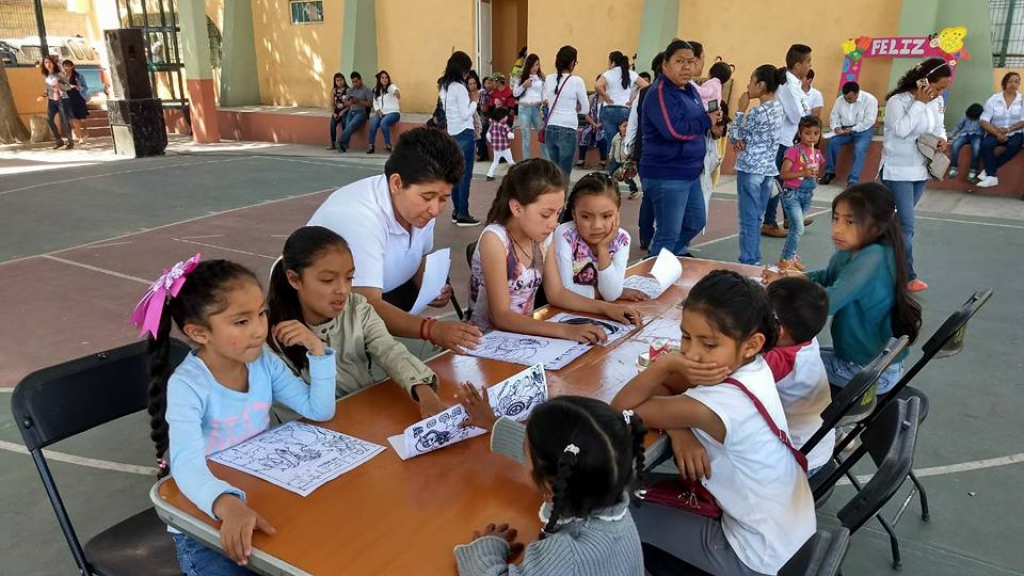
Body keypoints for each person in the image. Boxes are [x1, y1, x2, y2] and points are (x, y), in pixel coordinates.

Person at [136, 256, 337, 574]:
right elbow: (186, 464)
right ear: (200, 333)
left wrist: (317, 350)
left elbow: (319, 411)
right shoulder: (188, 385)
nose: (259, 330)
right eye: (241, 322)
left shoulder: (264, 363)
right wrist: (227, 506)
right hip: (204, 524)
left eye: (261, 314)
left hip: (261, 496)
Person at [612, 270, 815, 576]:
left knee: (609, 518)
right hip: (790, 538)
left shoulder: (720, 403)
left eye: (707, 343)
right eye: (685, 336)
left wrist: (665, 363)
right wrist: (679, 428)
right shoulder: (752, 366)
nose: (691, 353)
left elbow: (620, 410)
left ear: (751, 343)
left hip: (754, 559)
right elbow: (669, 392)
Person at [308, 127, 484, 354]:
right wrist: (431, 329)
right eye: (428, 197)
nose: (435, 209)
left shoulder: (418, 209)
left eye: (444, 198)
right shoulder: (360, 220)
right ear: (396, 183)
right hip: (326, 321)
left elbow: (419, 255)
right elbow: (365, 306)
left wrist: (431, 286)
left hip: (379, 295)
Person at [454, 393, 647, 576]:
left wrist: (487, 547)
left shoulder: (568, 556)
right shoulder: (610, 487)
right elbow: (562, 456)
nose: (524, 452)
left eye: (526, 451)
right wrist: (493, 423)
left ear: (548, 488)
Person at [266, 226, 447, 418]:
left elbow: (389, 350)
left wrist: (425, 392)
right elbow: (313, 410)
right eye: (328, 280)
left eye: (349, 278)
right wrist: (317, 350)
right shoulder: (271, 336)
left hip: (363, 413)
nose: (342, 290)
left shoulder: (357, 308)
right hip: (309, 431)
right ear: (294, 279)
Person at [764, 183, 922, 396]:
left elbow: (828, 301)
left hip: (868, 371)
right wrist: (791, 278)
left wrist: (785, 290)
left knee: (770, 365)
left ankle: (803, 426)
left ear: (877, 227)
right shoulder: (853, 251)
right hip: (864, 360)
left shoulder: (873, 257)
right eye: (836, 218)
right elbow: (826, 276)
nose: (838, 228)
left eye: (850, 221)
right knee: (794, 356)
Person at [468, 159, 643, 340]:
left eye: (558, 213)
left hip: (526, 335)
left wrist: (607, 308)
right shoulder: (495, 240)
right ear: (517, 208)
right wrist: (565, 331)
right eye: (546, 214)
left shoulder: (544, 237)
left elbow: (557, 293)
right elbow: (501, 316)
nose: (553, 223)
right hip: (484, 341)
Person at [639, 40, 719, 258]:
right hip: (667, 173)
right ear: (665, 65)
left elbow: (697, 120)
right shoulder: (660, 93)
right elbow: (674, 131)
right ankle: (653, 275)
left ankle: (668, 254)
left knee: (696, 221)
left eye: (690, 62)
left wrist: (712, 122)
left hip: (689, 172)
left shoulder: (689, 90)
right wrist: (706, 121)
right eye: (679, 62)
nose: (686, 67)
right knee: (668, 232)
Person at [880, 57, 951, 293]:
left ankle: (879, 260)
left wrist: (943, 140)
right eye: (938, 87)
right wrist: (919, 103)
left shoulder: (936, 102)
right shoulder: (897, 101)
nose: (940, 92)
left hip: (921, 169)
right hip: (897, 170)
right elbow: (900, 131)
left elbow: (939, 126)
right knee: (907, 226)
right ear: (923, 81)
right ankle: (907, 276)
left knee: (898, 224)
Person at [764, 277, 834, 475]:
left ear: (779, 331)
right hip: (815, 448)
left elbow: (724, 373)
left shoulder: (779, 360)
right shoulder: (806, 340)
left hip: (795, 460)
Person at [553, 172, 646, 302]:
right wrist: (607, 293)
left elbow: (611, 294)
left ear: (617, 214)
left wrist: (603, 248)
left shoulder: (622, 240)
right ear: (574, 214)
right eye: (586, 217)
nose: (597, 226)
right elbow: (565, 289)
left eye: (606, 216)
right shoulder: (565, 234)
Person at [730, 64, 786, 266]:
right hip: (767, 170)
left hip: (750, 170)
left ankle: (748, 260)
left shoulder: (757, 112)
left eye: (751, 81)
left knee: (748, 218)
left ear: (761, 85)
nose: (748, 86)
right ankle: (753, 257)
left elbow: (735, 138)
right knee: (757, 217)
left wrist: (739, 110)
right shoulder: (778, 108)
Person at [762, 44, 814, 239]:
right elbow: (795, 115)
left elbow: (804, 108)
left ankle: (789, 217)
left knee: (788, 180)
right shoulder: (787, 85)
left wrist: (803, 109)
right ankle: (769, 221)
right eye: (808, 61)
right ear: (798, 64)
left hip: (787, 139)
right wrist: (803, 110)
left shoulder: (794, 84)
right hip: (780, 140)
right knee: (778, 180)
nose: (810, 65)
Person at [626, 52, 664, 248]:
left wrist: (629, 148)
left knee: (649, 195)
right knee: (657, 196)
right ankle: (653, 236)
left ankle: (646, 236)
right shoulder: (656, 93)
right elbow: (633, 123)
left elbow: (633, 124)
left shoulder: (643, 93)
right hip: (653, 154)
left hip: (643, 152)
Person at [544, 45, 599, 181]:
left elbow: (546, 100)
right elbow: (586, 109)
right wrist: (575, 108)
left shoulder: (549, 79)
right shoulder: (576, 81)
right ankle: (562, 199)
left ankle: (552, 200)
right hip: (568, 128)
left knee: (554, 172)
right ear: (572, 62)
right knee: (564, 172)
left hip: (550, 128)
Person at [440, 51, 482, 226]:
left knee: (456, 175)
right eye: (467, 69)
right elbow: (466, 115)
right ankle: (463, 214)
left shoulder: (446, 87)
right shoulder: (459, 87)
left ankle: (457, 211)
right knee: (465, 176)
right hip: (464, 132)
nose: (468, 73)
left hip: (453, 133)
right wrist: (475, 101)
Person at [778, 115, 825, 270]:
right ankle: (785, 260)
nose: (812, 137)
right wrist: (803, 173)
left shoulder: (816, 153)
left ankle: (790, 256)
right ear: (799, 133)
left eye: (816, 133)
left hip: (807, 196)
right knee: (798, 228)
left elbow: (818, 170)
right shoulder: (794, 151)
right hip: (792, 194)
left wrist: (815, 176)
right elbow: (784, 174)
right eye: (807, 133)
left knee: (795, 230)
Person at [821, 81, 879, 186]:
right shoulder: (840, 100)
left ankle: (853, 179)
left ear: (857, 93)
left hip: (863, 131)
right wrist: (836, 128)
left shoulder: (870, 100)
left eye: (850, 99)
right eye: (846, 98)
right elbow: (834, 116)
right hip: (844, 131)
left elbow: (869, 121)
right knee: (832, 143)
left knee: (859, 149)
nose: (847, 101)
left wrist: (854, 129)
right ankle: (829, 172)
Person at [976, 71, 1024, 189]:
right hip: (994, 131)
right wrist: (997, 133)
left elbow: (1023, 121)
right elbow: (984, 120)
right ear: (1004, 83)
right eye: (1010, 81)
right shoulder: (994, 99)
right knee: (987, 144)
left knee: (1014, 146)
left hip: (1015, 132)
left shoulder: (1022, 100)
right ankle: (992, 177)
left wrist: (1008, 130)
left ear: (1019, 84)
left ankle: (989, 171)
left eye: (1016, 82)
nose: (1013, 84)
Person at [595, 51, 647, 152]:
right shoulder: (631, 73)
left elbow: (597, 85)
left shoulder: (608, 73)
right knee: (625, 140)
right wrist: (633, 99)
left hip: (609, 109)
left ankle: (612, 163)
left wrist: (605, 96)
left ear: (613, 62)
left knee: (611, 142)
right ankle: (623, 164)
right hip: (625, 109)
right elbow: (645, 85)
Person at [513, 53, 546, 160]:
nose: (535, 68)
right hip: (524, 108)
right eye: (532, 65)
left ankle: (547, 161)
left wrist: (545, 99)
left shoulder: (541, 77)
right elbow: (515, 93)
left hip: (536, 108)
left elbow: (544, 92)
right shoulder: (521, 76)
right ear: (528, 65)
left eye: (537, 65)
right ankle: (526, 161)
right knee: (526, 138)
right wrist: (524, 85)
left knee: (541, 136)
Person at [39, 55, 72, 150]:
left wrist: (60, 86)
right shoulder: (46, 76)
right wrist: (43, 95)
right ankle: (59, 141)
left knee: (65, 121)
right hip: (52, 100)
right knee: (49, 119)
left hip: (62, 99)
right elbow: (48, 89)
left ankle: (70, 142)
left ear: (53, 64)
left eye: (49, 62)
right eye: (46, 62)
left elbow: (68, 87)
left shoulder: (59, 74)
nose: (48, 64)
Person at [335, 71, 373, 153]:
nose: (355, 83)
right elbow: (346, 104)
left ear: (360, 80)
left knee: (351, 125)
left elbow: (370, 104)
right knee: (348, 126)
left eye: (356, 81)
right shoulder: (351, 90)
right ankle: (343, 146)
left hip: (362, 113)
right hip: (351, 111)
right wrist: (347, 101)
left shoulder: (367, 90)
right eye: (353, 82)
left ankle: (340, 141)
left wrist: (358, 101)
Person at [367, 70, 401, 154]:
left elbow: (395, 90)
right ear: (379, 79)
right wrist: (378, 110)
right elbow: (375, 102)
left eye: (386, 77)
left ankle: (388, 144)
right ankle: (371, 146)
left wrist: (397, 92)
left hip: (393, 113)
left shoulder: (391, 86)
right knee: (373, 125)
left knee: (383, 123)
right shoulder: (376, 90)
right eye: (382, 78)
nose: (385, 79)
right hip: (381, 113)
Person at [948, 103, 985, 181]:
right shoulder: (965, 115)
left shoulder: (982, 117)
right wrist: (951, 135)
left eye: (973, 118)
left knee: (976, 148)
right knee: (955, 145)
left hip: (977, 135)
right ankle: (953, 167)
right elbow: (958, 126)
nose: (971, 118)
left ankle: (973, 170)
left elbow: (986, 128)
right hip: (965, 134)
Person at [577, 83, 608, 168]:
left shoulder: (609, 98)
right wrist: (594, 124)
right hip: (592, 123)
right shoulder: (592, 97)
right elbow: (586, 113)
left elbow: (609, 116)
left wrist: (599, 125)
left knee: (603, 135)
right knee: (584, 133)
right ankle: (581, 159)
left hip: (604, 124)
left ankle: (603, 161)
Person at [61, 60, 89, 145]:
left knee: (82, 119)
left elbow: (85, 87)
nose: (66, 68)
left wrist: (78, 87)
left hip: (79, 98)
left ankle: (85, 131)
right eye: (64, 66)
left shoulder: (79, 76)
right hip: (69, 99)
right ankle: (80, 138)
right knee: (74, 119)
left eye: (68, 66)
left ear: (72, 66)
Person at [608, 120, 638, 196]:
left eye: (628, 126)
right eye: (624, 126)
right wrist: (610, 156)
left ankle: (634, 190)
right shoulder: (616, 137)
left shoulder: (629, 138)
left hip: (626, 160)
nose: (626, 128)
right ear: (619, 127)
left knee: (627, 177)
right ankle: (611, 190)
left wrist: (632, 158)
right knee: (611, 174)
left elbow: (633, 148)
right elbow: (612, 147)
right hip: (616, 160)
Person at [485, 107, 515, 181]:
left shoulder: (492, 125)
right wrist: (512, 134)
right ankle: (516, 174)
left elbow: (488, 135)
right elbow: (510, 136)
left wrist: (492, 142)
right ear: (503, 117)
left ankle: (489, 175)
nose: (507, 117)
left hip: (496, 148)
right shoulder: (505, 126)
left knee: (495, 162)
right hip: (505, 147)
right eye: (506, 116)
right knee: (510, 161)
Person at [327, 73, 350, 150]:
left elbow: (351, 104)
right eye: (337, 80)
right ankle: (333, 143)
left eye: (341, 80)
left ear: (344, 80)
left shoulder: (348, 90)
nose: (339, 82)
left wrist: (343, 111)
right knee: (332, 124)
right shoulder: (333, 90)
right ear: (335, 82)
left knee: (344, 123)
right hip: (337, 111)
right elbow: (332, 104)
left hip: (346, 110)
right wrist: (334, 113)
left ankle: (345, 143)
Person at [477, 76, 495, 161]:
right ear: (484, 84)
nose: (490, 85)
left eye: (491, 82)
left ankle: (485, 153)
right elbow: (483, 108)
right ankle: (482, 154)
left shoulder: (493, 92)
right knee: (483, 135)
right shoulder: (483, 92)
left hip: (491, 117)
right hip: (484, 117)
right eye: (488, 83)